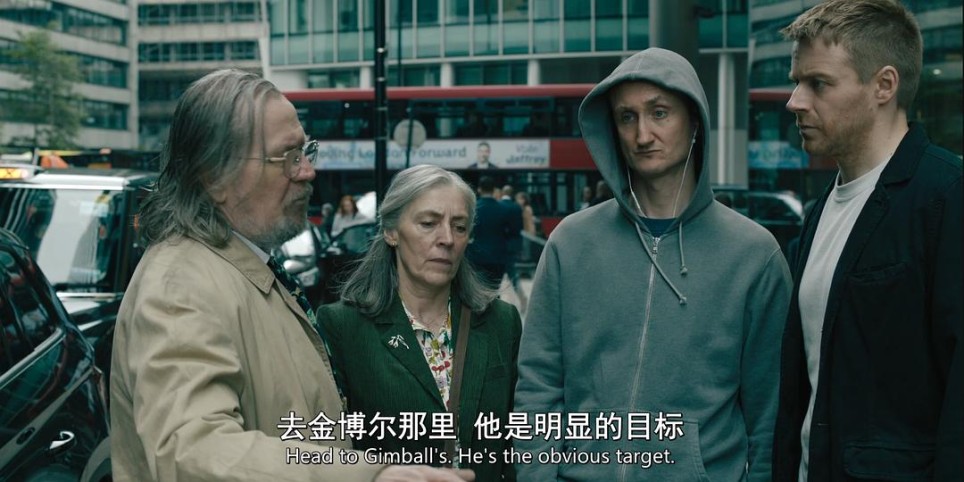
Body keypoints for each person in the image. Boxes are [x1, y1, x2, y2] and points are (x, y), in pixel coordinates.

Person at [110, 69, 473, 482]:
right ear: (214, 176)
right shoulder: (180, 287)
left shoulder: (238, 266)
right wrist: (367, 476)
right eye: (287, 157)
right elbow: (193, 451)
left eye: (305, 151)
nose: (307, 171)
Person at [514, 48, 792, 481]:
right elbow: (538, 385)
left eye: (659, 113)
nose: (643, 134)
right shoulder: (571, 242)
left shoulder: (754, 255)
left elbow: (768, 416)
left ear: (694, 121)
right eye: (627, 117)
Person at [773, 1, 962, 480]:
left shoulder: (947, 198)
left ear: (884, 85)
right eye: (796, 81)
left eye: (818, 83)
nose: (795, 101)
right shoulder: (820, 212)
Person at [319, 165, 521, 482]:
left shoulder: (501, 322)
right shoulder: (342, 327)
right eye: (428, 223)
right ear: (391, 231)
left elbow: (517, 438)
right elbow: (330, 448)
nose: (447, 239)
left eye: (460, 227)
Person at [465, 176, 520, 291]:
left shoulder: (474, 208)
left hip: (477, 256)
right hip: (498, 256)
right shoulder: (504, 209)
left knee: (478, 291)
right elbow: (512, 232)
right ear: (494, 190)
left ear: (479, 189)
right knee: (493, 291)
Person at [499, 184, 527, 313]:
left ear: (503, 193)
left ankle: (497, 303)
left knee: (497, 276)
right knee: (512, 274)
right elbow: (519, 227)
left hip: (500, 246)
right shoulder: (517, 207)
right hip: (513, 246)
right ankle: (522, 299)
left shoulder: (499, 206)